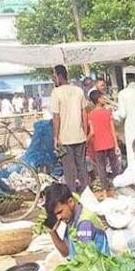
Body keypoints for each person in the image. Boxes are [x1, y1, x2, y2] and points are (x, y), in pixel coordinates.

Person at [44, 183, 110, 259]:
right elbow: (66, 252)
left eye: (60, 212)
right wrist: (52, 232)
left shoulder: (84, 223)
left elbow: (85, 261)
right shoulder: (71, 218)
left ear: (71, 202)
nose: (58, 217)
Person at [51, 65, 89, 193]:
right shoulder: (78, 90)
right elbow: (84, 113)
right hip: (79, 136)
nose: (53, 79)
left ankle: (72, 195)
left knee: (69, 169)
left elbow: (56, 117)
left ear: (60, 76)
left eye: (54, 76)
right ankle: (86, 193)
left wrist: (56, 137)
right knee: (82, 167)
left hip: (65, 138)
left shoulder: (56, 92)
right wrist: (85, 131)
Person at [87, 90, 122, 198]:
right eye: (102, 97)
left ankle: (105, 192)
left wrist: (86, 141)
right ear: (98, 99)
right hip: (110, 143)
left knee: (101, 170)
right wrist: (116, 145)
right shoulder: (107, 112)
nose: (104, 99)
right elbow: (112, 129)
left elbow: (92, 132)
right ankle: (118, 190)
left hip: (98, 145)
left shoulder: (91, 115)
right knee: (115, 167)